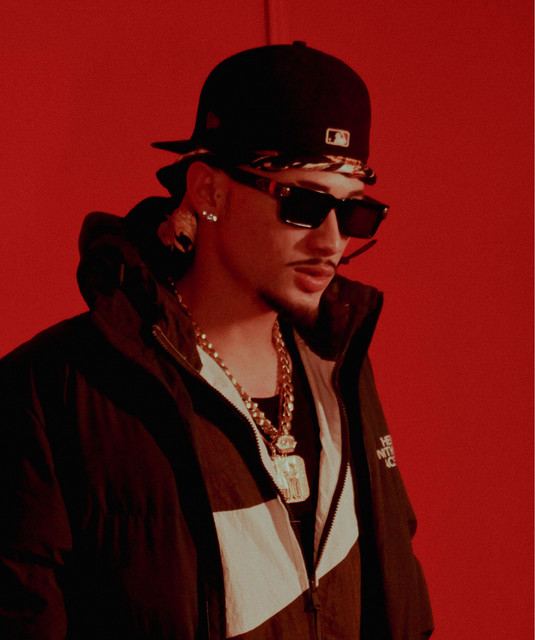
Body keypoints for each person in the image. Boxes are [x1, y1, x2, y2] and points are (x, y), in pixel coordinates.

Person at [0, 42, 433, 639]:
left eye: (354, 213)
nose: (333, 242)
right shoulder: (51, 390)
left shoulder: (339, 368)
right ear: (209, 192)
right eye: (304, 203)